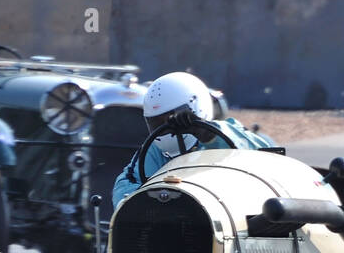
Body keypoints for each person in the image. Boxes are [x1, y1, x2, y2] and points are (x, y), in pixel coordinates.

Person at [112, 72, 273, 208]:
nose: (166, 128)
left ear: (196, 108)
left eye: (171, 119)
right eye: (156, 123)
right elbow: (125, 186)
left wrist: (208, 135)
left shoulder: (229, 132)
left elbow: (266, 160)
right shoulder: (152, 150)